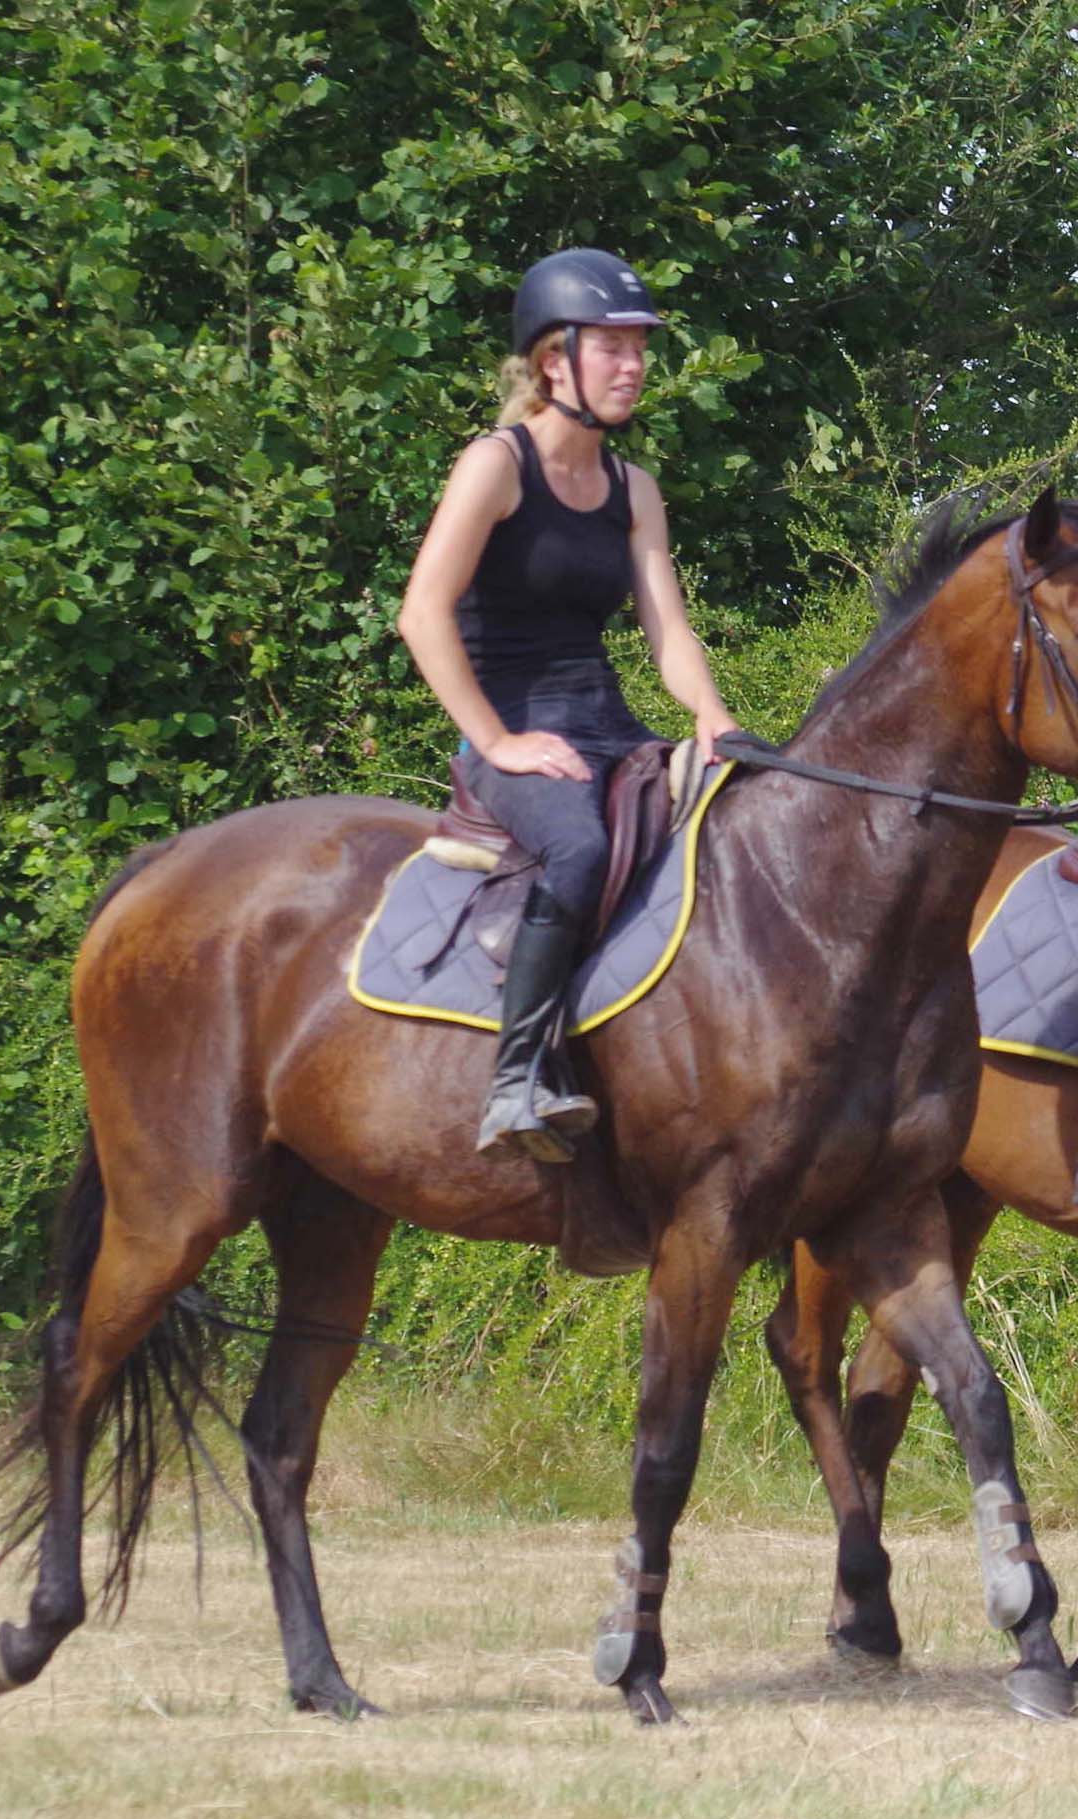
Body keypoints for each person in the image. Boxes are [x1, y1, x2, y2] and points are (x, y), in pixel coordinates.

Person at [397, 249, 737, 1161]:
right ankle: (517, 1081)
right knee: (580, 845)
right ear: (554, 361)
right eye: (613, 347)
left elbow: (667, 634)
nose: (633, 365)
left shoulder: (634, 489)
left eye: (640, 349)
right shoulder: (495, 464)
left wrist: (714, 718)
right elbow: (422, 612)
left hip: (608, 725)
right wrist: (497, 741)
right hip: (514, 728)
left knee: (733, 819)